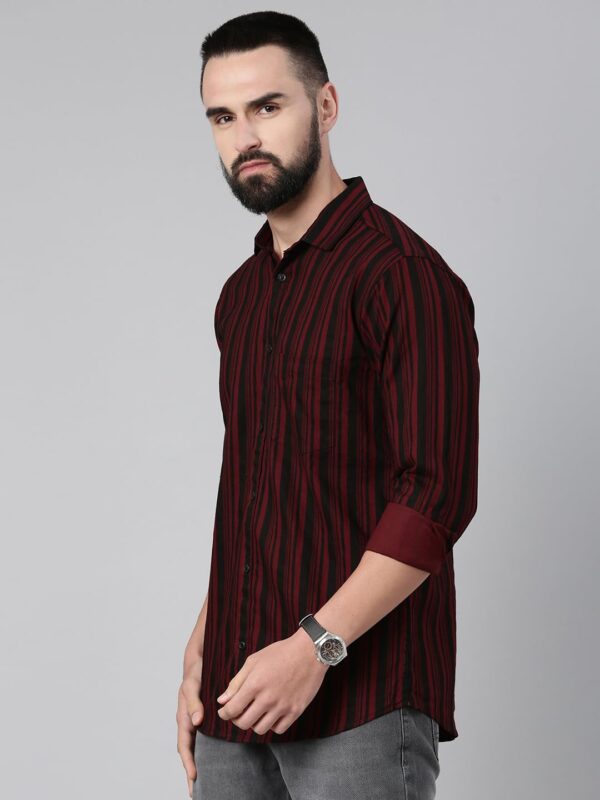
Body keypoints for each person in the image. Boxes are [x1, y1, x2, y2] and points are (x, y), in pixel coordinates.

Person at [176, 10, 480, 800]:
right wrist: (202, 648)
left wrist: (315, 647)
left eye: (268, 106)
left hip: (362, 706)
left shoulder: (403, 275)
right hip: (235, 700)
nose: (245, 136)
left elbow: (435, 496)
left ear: (326, 105)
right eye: (222, 117)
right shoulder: (241, 297)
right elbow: (254, 491)